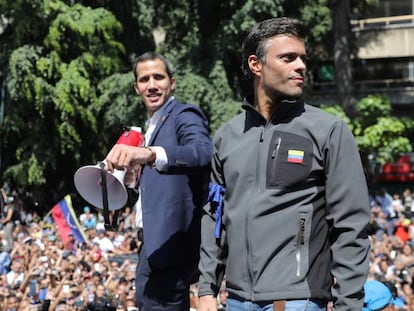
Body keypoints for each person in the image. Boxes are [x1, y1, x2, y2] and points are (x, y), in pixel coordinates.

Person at [197, 17, 370, 311]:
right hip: (236, 301)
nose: (301, 66)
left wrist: (348, 306)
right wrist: (205, 289)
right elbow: (215, 217)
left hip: (298, 301)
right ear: (256, 65)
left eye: (303, 58)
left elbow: (351, 225)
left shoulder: (328, 130)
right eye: (288, 58)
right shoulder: (227, 136)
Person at [104, 52, 212, 310]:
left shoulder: (184, 114)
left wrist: (150, 154)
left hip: (172, 248)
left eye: (158, 77)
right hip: (151, 245)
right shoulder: (151, 126)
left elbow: (203, 153)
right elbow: (160, 182)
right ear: (136, 87)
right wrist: (130, 180)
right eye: (144, 79)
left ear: (172, 82)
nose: (151, 85)